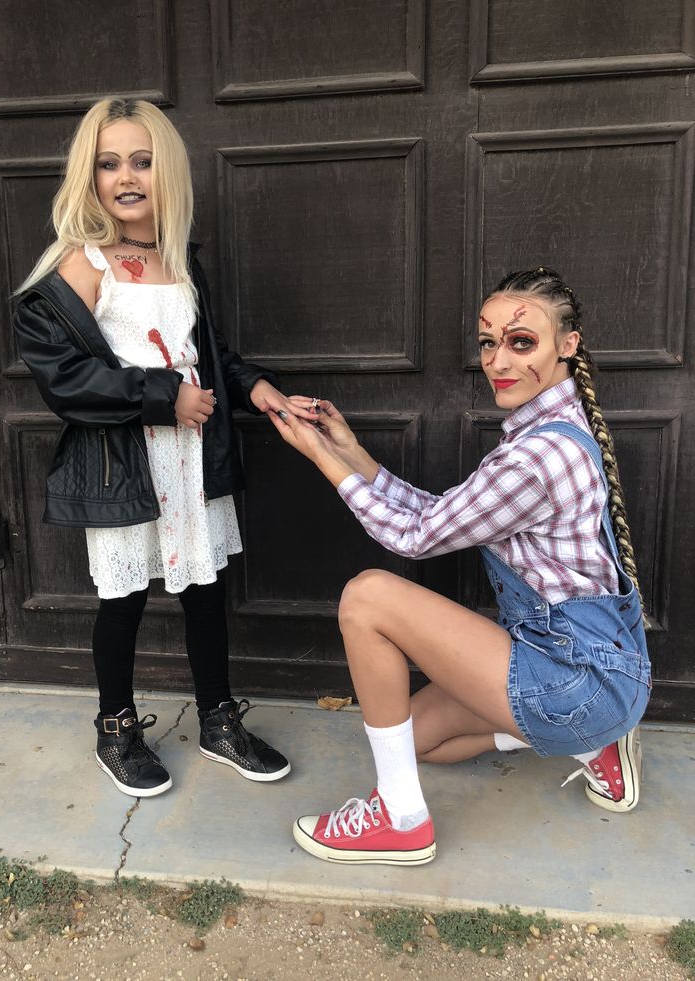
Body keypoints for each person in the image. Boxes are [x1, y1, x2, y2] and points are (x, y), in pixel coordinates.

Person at [271, 267, 651, 866]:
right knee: (418, 742)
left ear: (567, 345)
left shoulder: (538, 457)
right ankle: (593, 746)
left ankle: (399, 820)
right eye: (488, 341)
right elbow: (444, 515)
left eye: (521, 342)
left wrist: (319, 454)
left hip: (576, 679)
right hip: (592, 671)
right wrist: (353, 452)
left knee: (367, 596)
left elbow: (414, 537)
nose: (499, 359)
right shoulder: (550, 427)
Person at [13, 98, 310, 797]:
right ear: (88, 177)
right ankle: (115, 727)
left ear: (166, 170)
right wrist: (162, 397)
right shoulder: (83, 264)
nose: (126, 177)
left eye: (141, 161)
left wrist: (256, 386)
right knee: (123, 599)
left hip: (191, 461)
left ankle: (217, 718)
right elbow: (61, 372)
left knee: (205, 590)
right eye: (107, 163)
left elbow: (207, 355)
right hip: (124, 463)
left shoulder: (180, 262)